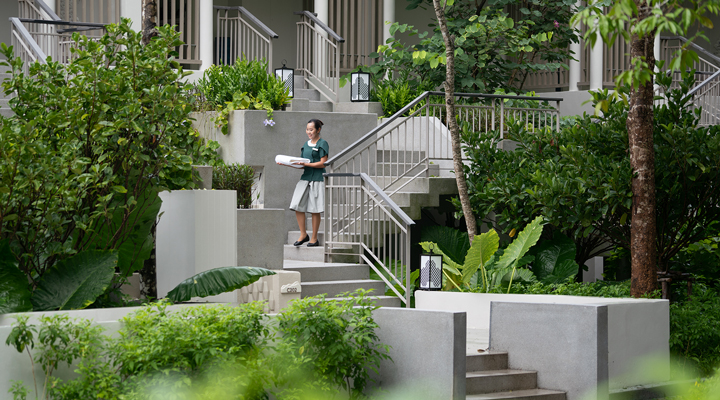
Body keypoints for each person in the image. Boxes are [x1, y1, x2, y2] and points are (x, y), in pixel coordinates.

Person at [279, 119, 329, 247]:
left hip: (317, 178)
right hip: (305, 177)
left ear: (318, 130)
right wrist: (287, 163)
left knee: (315, 209)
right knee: (297, 204)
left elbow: (323, 163)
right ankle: (303, 234)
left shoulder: (323, 144)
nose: (309, 132)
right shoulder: (305, 145)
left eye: (311, 129)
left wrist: (306, 164)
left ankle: (314, 238)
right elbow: (302, 164)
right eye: (307, 129)